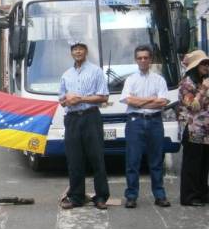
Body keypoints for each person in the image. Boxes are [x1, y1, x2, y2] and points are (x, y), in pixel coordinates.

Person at [58, 41, 110, 210]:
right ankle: (76, 197)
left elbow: (103, 97)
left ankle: (101, 197)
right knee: (74, 159)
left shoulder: (96, 71)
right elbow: (62, 101)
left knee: (97, 158)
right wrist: (67, 100)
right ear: (71, 53)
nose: (78, 52)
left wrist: (80, 98)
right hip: (72, 119)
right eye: (75, 49)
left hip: (90, 117)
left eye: (81, 49)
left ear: (86, 51)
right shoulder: (66, 74)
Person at [120, 45, 171, 208]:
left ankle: (160, 195)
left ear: (151, 59)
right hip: (135, 122)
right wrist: (150, 100)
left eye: (146, 57)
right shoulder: (130, 80)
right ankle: (131, 196)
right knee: (133, 161)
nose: (143, 60)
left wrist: (139, 101)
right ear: (136, 60)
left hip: (155, 121)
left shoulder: (159, 79)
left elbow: (162, 102)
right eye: (140, 58)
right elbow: (128, 100)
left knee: (156, 160)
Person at [177, 49, 209, 206]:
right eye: (203, 63)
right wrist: (203, 90)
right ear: (195, 66)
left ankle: (202, 194)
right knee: (192, 164)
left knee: (203, 164)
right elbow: (192, 106)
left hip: (205, 130)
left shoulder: (203, 81)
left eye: (207, 63)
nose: (206, 66)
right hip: (193, 129)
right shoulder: (187, 83)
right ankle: (190, 196)